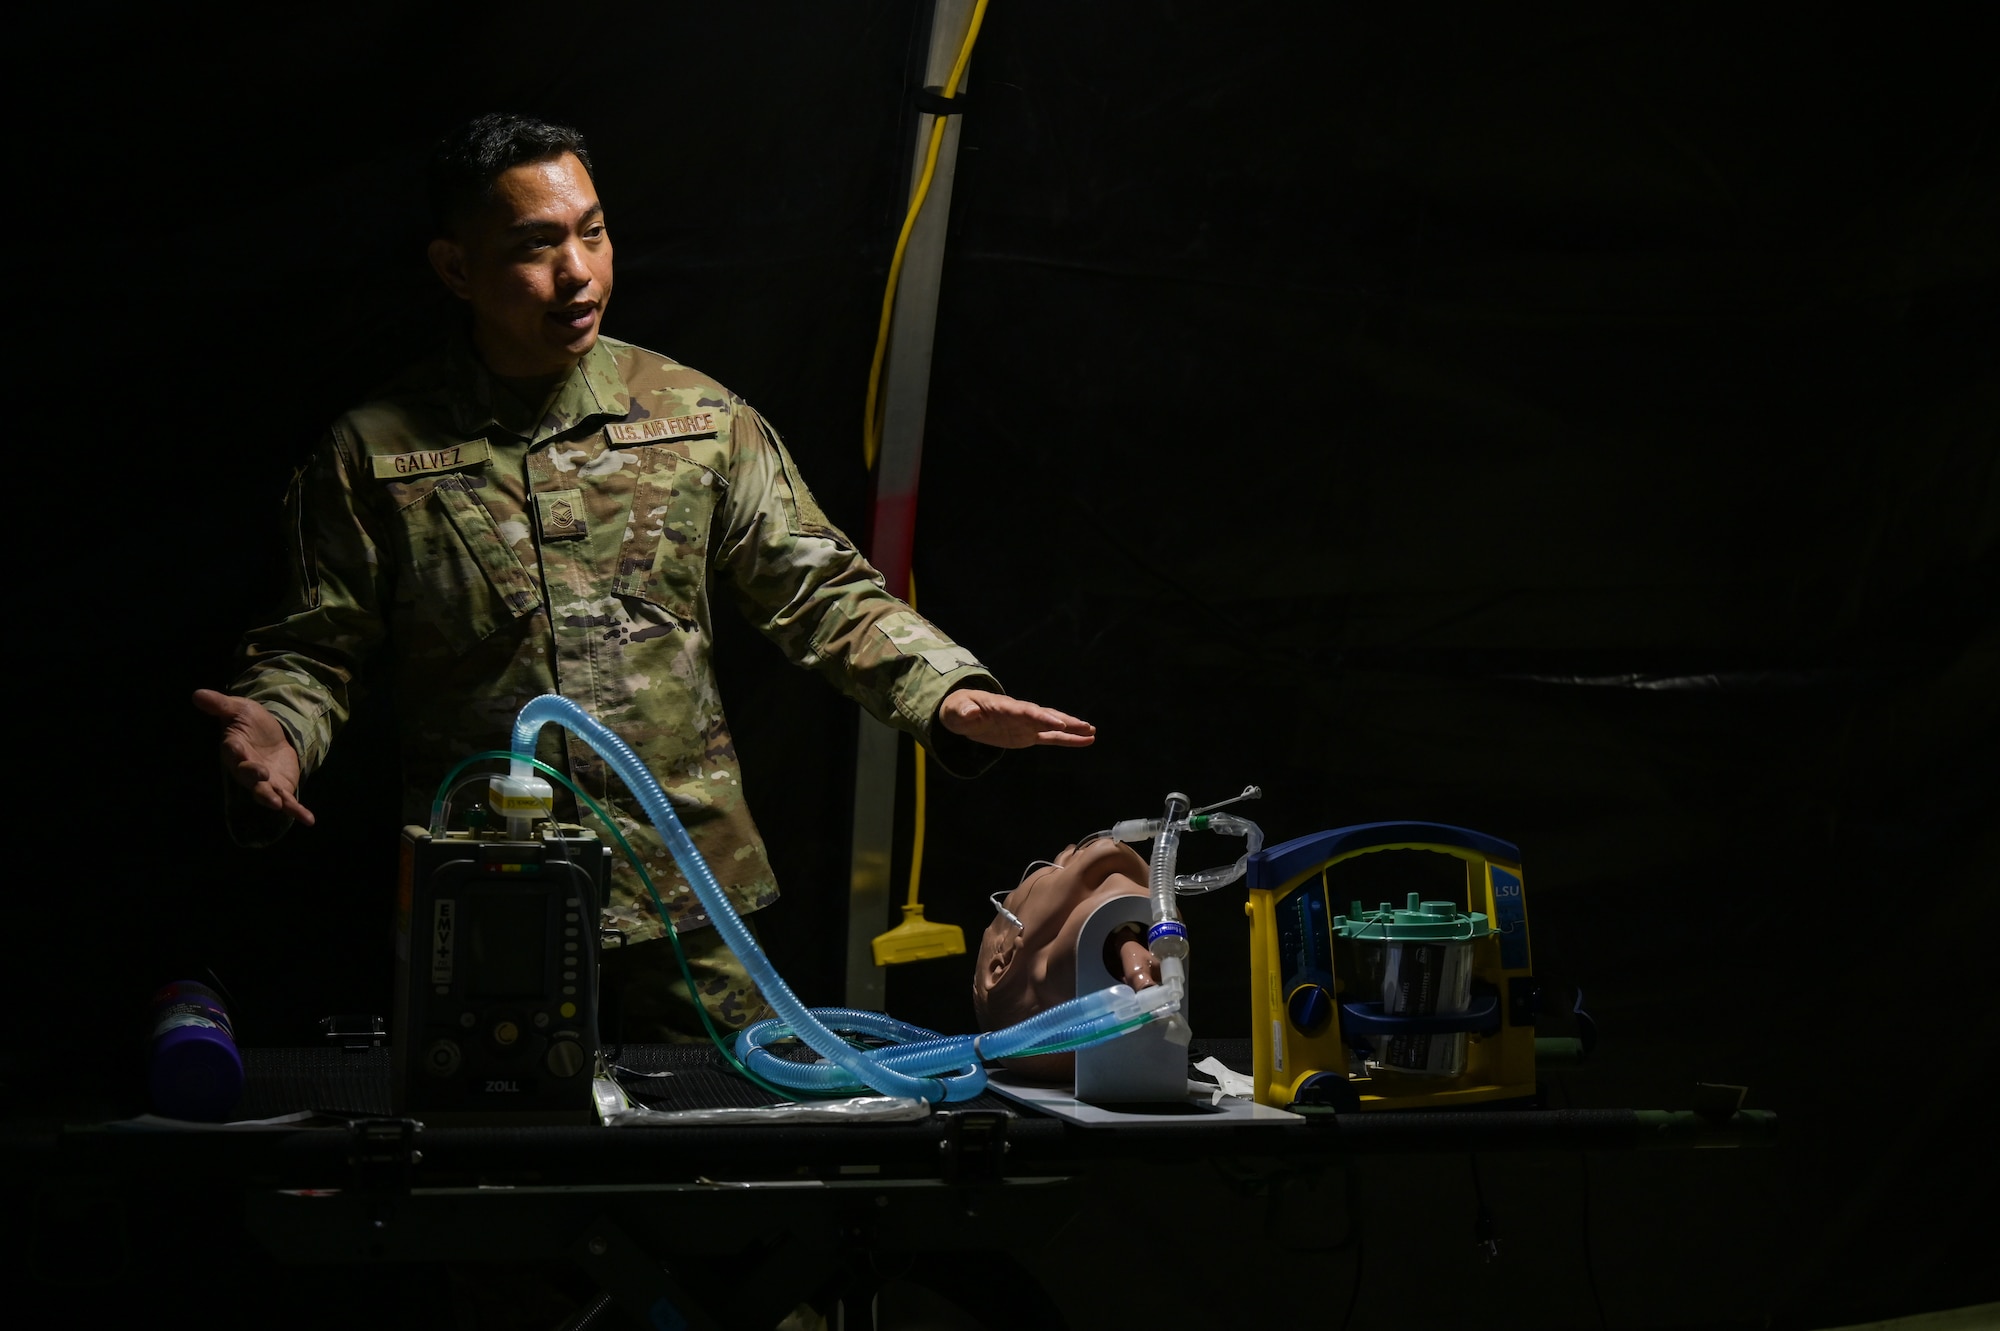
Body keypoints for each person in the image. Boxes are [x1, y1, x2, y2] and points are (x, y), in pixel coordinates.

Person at [194, 113, 1094, 1039]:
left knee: (721, 1158)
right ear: (457, 269)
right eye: (535, 246)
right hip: (491, 898)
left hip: (692, 900)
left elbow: (818, 588)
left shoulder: (696, 420)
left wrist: (944, 691)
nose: (577, 271)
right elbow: (314, 646)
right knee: (502, 1157)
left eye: (591, 231)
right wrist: (280, 731)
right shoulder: (375, 453)